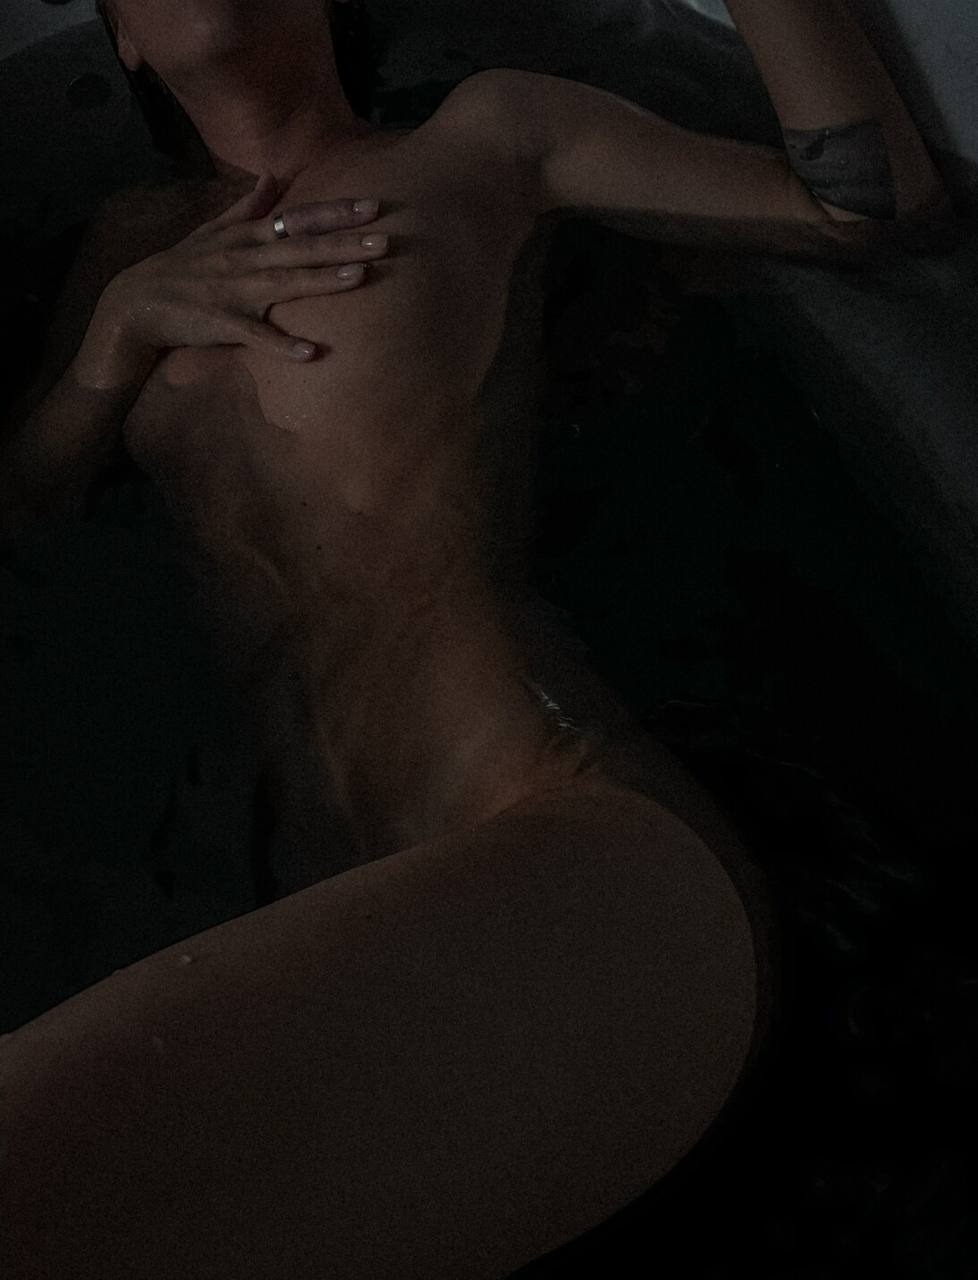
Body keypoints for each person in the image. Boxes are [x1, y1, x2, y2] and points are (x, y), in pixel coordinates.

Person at [0, 2, 955, 1275]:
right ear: (121, 37)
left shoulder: (483, 136)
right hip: (340, 899)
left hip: (559, 846)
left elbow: (858, 203)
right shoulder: (134, 240)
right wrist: (112, 337)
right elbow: (27, 508)